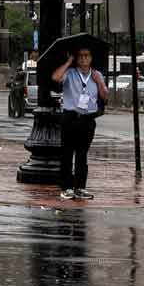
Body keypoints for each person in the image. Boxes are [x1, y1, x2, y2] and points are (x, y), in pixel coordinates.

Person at [49, 45, 107, 199]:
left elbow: (105, 96)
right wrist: (68, 62)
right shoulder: (70, 73)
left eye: (86, 55)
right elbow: (55, 77)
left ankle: (80, 187)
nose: (83, 58)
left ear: (91, 58)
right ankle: (67, 187)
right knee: (67, 154)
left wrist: (98, 82)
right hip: (70, 117)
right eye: (80, 55)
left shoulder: (97, 75)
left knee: (82, 155)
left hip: (87, 119)